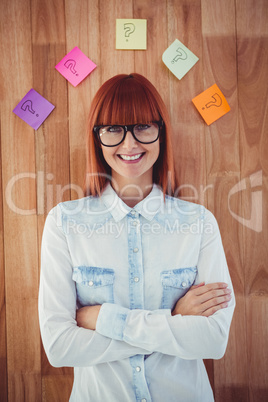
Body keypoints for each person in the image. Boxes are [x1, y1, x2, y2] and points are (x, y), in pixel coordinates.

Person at [38, 73, 235, 402]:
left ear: (161, 132)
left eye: (143, 126)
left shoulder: (199, 223)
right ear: (98, 138)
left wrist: (104, 319)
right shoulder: (65, 222)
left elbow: (213, 341)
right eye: (114, 129)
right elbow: (59, 348)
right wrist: (173, 321)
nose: (129, 144)